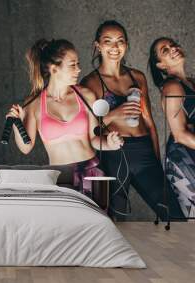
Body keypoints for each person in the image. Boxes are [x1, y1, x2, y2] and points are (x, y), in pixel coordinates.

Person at [81, 20, 184, 220]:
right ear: (98, 46)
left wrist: (155, 160)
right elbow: (89, 131)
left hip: (144, 151)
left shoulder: (137, 77)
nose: (115, 47)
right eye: (108, 41)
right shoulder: (90, 82)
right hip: (114, 156)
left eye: (120, 41)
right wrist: (114, 114)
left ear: (126, 45)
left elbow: (150, 123)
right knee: (115, 221)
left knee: (174, 216)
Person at [6, 38, 123, 194]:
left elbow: (94, 139)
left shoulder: (86, 95)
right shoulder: (34, 104)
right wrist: (16, 123)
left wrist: (109, 144)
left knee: (98, 218)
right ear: (54, 69)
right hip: (59, 178)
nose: (78, 70)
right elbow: (26, 147)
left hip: (92, 172)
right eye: (73, 65)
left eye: (78, 64)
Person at [149, 37, 195, 217]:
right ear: (161, 65)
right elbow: (180, 134)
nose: (173, 48)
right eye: (165, 50)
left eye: (173, 44)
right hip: (184, 157)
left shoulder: (191, 81)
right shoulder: (172, 86)